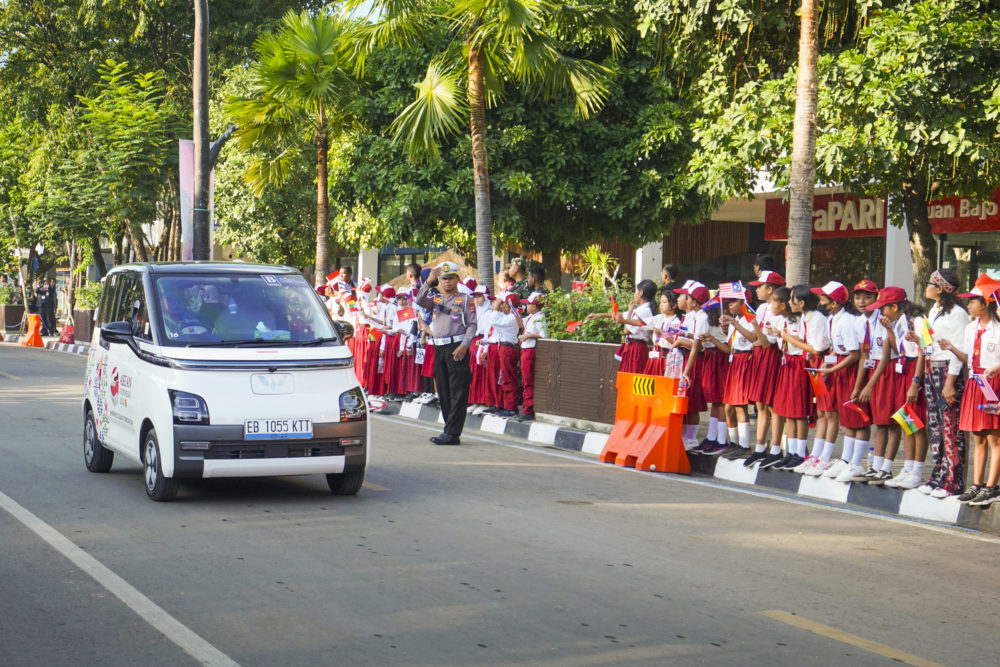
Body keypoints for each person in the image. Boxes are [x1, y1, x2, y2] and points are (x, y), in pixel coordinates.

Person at [915, 269, 969, 497]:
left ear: (940, 288)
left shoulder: (957, 313)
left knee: (950, 427)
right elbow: (932, 340)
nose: (926, 287)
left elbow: (959, 349)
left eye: (930, 283)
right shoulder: (935, 309)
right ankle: (938, 473)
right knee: (934, 425)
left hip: (948, 371)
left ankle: (953, 480)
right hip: (931, 366)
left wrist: (950, 383)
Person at [414, 261, 477, 445]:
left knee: (458, 390)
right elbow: (418, 301)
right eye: (443, 278)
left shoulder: (466, 299)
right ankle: (449, 429)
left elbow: (472, 325)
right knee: (443, 390)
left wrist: (465, 346)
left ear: (457, 279)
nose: (447, 282)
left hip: (456, 347)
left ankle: (452, 433)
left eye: (450, 278)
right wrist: (428, 282)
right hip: (439, 347)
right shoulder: (436, 299)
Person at [953, 274, 1000, 506]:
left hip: (995, 383)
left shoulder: (998, 328)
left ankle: (992, 486)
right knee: (977, 435)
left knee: (995, 437)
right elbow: (968, 357)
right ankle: (977, 484)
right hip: (975, 382)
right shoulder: (971, 328)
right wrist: (951, 349)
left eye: (973, 301)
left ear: (986, 303)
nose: (968, 305)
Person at [811, 282, 862, 479]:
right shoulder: (833, 319)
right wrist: (828, 363)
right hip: (838, 366)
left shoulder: (846, 321)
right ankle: (842, 459)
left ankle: (849, 461)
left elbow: (854, 354)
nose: (820, 300)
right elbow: (836, 347)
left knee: (850, 415)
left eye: (823, 297)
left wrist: (833, 368)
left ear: (832, 303)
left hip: (847, 369)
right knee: (837, 413)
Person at [743, 271, 786, 467]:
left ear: (770, 289)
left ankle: (775, 448)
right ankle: (760, 447)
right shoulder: (761, 309)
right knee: (760, 403)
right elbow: (755, 338)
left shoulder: (778, 312)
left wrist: (757, 334)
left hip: (772, 357)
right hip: (760, 357)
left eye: (760, 286)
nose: (756, 289)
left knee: (772, 405)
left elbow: (768, 343)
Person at [720, 288, 755, 458]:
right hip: (734, 361)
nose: (730, 305)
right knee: (728, 407)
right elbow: (729, 347)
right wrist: (712, 339)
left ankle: (744, 444)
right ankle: (734, 442)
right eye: (729, 302)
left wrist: (735, 323)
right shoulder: (737, 321)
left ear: (744, 303)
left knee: (741, 405)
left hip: (745, 360)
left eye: (734, 301)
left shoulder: (749, 319)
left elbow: (753, 338)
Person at [487, 293, 523, 418]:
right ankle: (508, 405)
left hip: (507, 348)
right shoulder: (511, 316)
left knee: (508, 378)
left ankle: (511, 407)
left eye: (504, 305)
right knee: (505, 378)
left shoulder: (511, 318)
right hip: (506, 347)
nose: (502, 307)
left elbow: (493, 319)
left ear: (508, 306)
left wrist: (495, 307)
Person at [518, 292, 547, 420]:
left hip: (530, 349)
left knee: (528, 380)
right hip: (525, 349)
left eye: (528, 304)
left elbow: (544, 335)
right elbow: (521, 324)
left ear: (534, 307)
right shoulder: (532, 316)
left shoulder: (540, 317)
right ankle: (526, 407)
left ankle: (528, 409)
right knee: (525, 379)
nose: (526, 306)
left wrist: (529, 335)